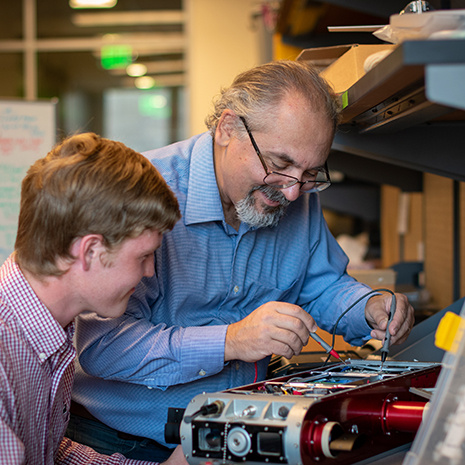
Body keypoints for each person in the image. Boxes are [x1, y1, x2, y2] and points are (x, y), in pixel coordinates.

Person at [69, 61, 415, 461]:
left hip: (234, 436)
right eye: (279, 164)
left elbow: (321, 285)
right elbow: (104, 347)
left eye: (309, 173)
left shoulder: (298, 194)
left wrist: (369, 307)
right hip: (122, 443)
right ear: (227, 128)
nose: (290, 193)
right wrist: (232, 340)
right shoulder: (142, 194)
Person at [0, 132, 187, 465]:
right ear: (89, 251)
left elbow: (50, 451)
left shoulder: (46, 328)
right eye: (143, 256)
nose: (148, 271)